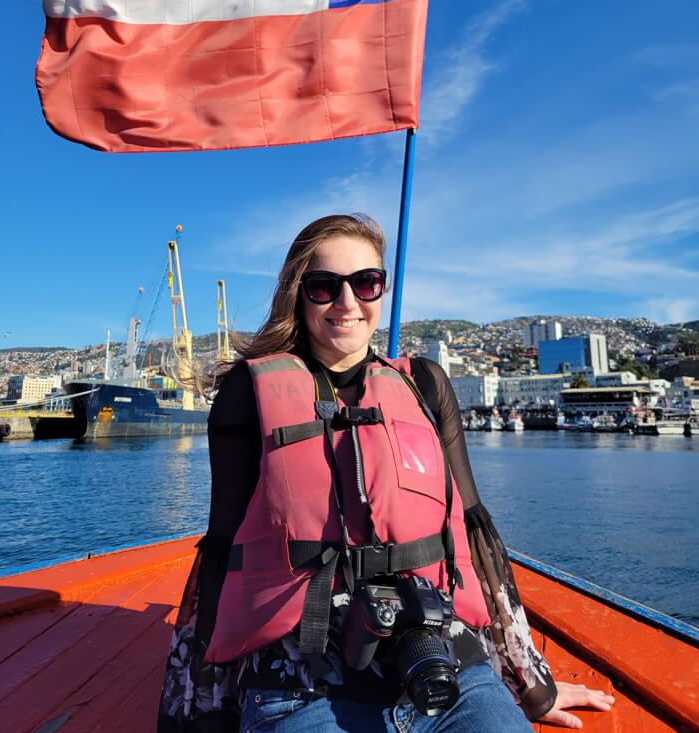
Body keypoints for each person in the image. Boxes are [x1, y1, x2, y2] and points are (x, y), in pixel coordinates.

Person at [158, 214, 614, 732]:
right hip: (302, 682)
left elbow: (473, 532)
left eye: (366, 282)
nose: (348, 303)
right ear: (297, 294)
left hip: (446, 666)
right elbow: (223, 551)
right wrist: (199, 712)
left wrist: (529, 685)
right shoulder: (247, 394)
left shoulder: (425, 384)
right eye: (325, 286)